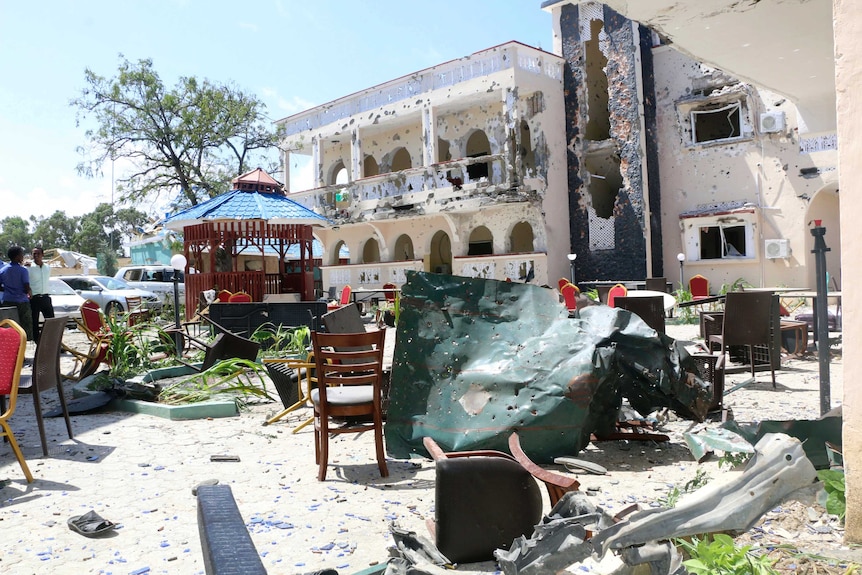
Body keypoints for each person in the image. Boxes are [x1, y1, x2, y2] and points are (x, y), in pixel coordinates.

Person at [0, 246, 33, 340]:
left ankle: (11, 347)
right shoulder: (23, 270)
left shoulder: (3, 271)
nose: (23, 256)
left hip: (8, 301)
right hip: (22, 301)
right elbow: (26, 286)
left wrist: (7, 289)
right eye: (21, 254)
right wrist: (29, 292)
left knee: (9, 326)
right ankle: (24, 347)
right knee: (25, 325)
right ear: (17, 256)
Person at [28, 246, 54, 342]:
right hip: (34, 298)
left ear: (42, 255)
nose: (36, 255)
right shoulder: (28, 267)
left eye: (38, 253)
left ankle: (52, 341)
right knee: (34, 322)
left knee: (51, 321)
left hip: (46, 297)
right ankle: (38, 342)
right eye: (34, 254)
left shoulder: (47, 267)